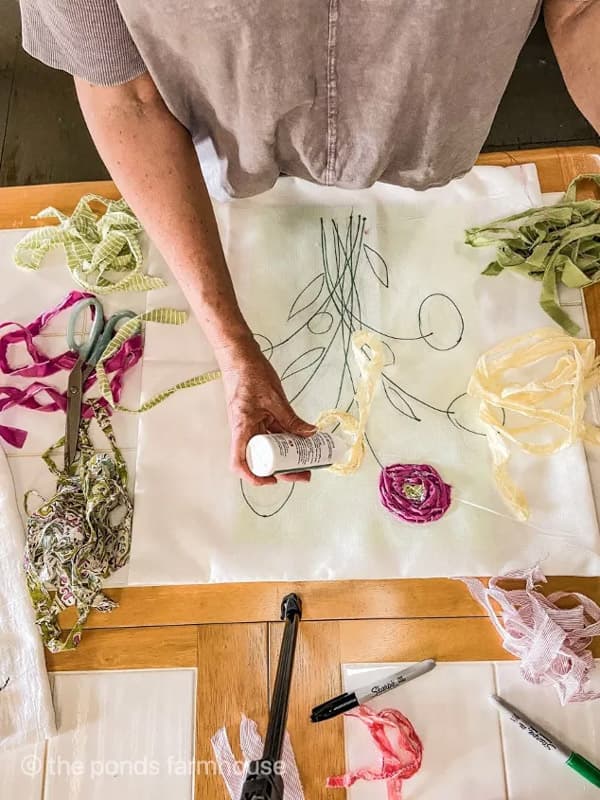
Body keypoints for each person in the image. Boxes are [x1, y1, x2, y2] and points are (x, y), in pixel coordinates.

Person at [18, 1, 598, 486]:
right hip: (206, 160)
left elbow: (580, 10)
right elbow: (125, 94)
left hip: (434, 148)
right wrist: (230, 343)